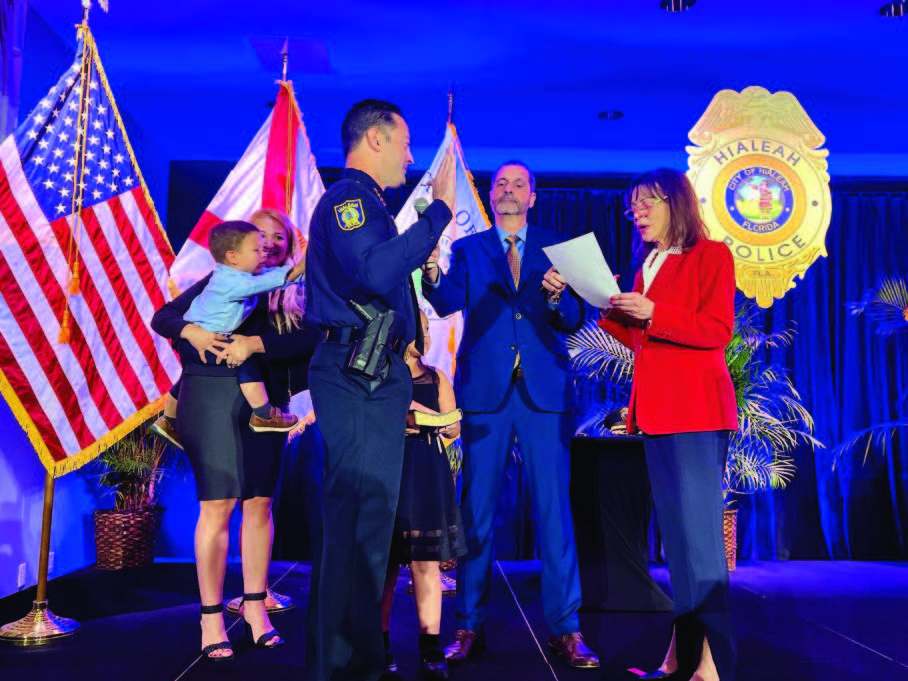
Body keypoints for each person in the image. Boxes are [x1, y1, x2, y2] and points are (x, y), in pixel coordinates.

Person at [421, 161, 599, 669]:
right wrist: (431, 271)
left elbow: (570, 321)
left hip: (543, 394)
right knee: (476, 512)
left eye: (519, 184)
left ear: (533, 196)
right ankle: (468, 625)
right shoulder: (468, 249)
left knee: (554, 513)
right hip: (486, 394)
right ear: (491, 195)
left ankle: (567, 630)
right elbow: (447, 300)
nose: (508, 191)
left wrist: (558, 295)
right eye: (500, 184)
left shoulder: (556, 247)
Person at [303, 99, 455, 681]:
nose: (411, 156)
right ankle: (343, 669)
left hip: (373, 373)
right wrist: (437, 213)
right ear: (373, 140)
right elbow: (372, 271)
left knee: (369, 530)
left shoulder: (370, 206)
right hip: (355, 374)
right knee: (357, 525)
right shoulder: (348, 199)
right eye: (404, 142)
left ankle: (353, 662)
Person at [151, 209, 321, 660]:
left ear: (290, 245)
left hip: (267, 404)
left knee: (259, 503)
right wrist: (192, 330)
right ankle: (210, 616)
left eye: (277, 238)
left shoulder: (300, 293)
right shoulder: (223, 279)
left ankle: (254, 607)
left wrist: (258, 345)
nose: (267, 244)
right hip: (209, 395)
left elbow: (313, 341)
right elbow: (164, 317)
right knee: (218, 504)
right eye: (259, 237)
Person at [598, 168, 738, 681]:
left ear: (675, 204)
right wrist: (606, 303)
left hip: (698, 415)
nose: (637, 213)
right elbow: (644, 344)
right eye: (633, 205)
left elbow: (716, 329)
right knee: (677, 547)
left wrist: (652, 311)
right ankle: (680, 657)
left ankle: (716, 664)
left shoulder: (711, 256)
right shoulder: (648, 265)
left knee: (702, 547)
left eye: (647, 203)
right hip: (658, 417)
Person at [380, 311, 466, 680]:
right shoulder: (381, 377)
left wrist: (436, 420)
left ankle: (430, 646)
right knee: (384, 565)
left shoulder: (436, 377)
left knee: (425, 564)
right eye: (421, 329)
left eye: (429, 329)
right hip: (390, 471)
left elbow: (453, 427)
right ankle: (379, 643)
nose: (427, 335)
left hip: (427, 473)